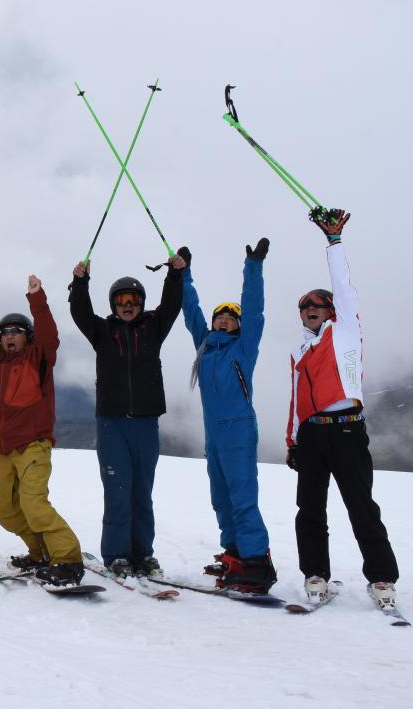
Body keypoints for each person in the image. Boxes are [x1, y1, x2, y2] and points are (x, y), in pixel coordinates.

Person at [286, 209, 399, 609]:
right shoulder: (300, 349)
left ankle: (382, 580)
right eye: (304, 306)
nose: (310, 308)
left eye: (318, 304)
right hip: (313, 434)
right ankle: (316, 575)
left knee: (361, 505)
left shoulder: (345, 332)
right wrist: (293, 440)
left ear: (332, 310)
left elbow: (344, 287)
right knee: (310, 508)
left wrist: (334, 242)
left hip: (348, 428)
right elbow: (296, 398)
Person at [0, 274, 85, 585]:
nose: (9, 337)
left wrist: (37, 298)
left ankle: (67, 558)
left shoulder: (40, 356)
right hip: (6, 449)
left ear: (27, 336)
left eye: (16, 332)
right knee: (8, 511)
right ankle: (40, 551)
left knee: (34, 503)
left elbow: (50, 334)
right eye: (4, 333)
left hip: (34, 446)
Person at [69, 252, 184, 577]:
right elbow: (80, 313)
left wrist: (174, 276)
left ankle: (142, 554)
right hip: (112, 424)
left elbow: (172, 305)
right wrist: (80, 282)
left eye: (134, 299)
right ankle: (117, 554)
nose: (128, 305)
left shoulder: (154, 328)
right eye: (122, 300)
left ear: (142, 302)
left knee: (142, 493)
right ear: (113, 304)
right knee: (118, 491)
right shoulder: (103, 332)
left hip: (147, 422)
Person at [180, 240, 277, 593]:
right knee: (221, 497)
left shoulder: (243, 346)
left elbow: (254, 310)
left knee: (242, 495)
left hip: (238, 431)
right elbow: (190, 310)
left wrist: (253, 266)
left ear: (237, 325)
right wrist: (183, 273)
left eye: (229, 316)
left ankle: (256, 561)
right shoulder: (204, 346)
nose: (223, 319)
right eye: (219, 315)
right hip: (213, 435)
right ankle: (235, 552)